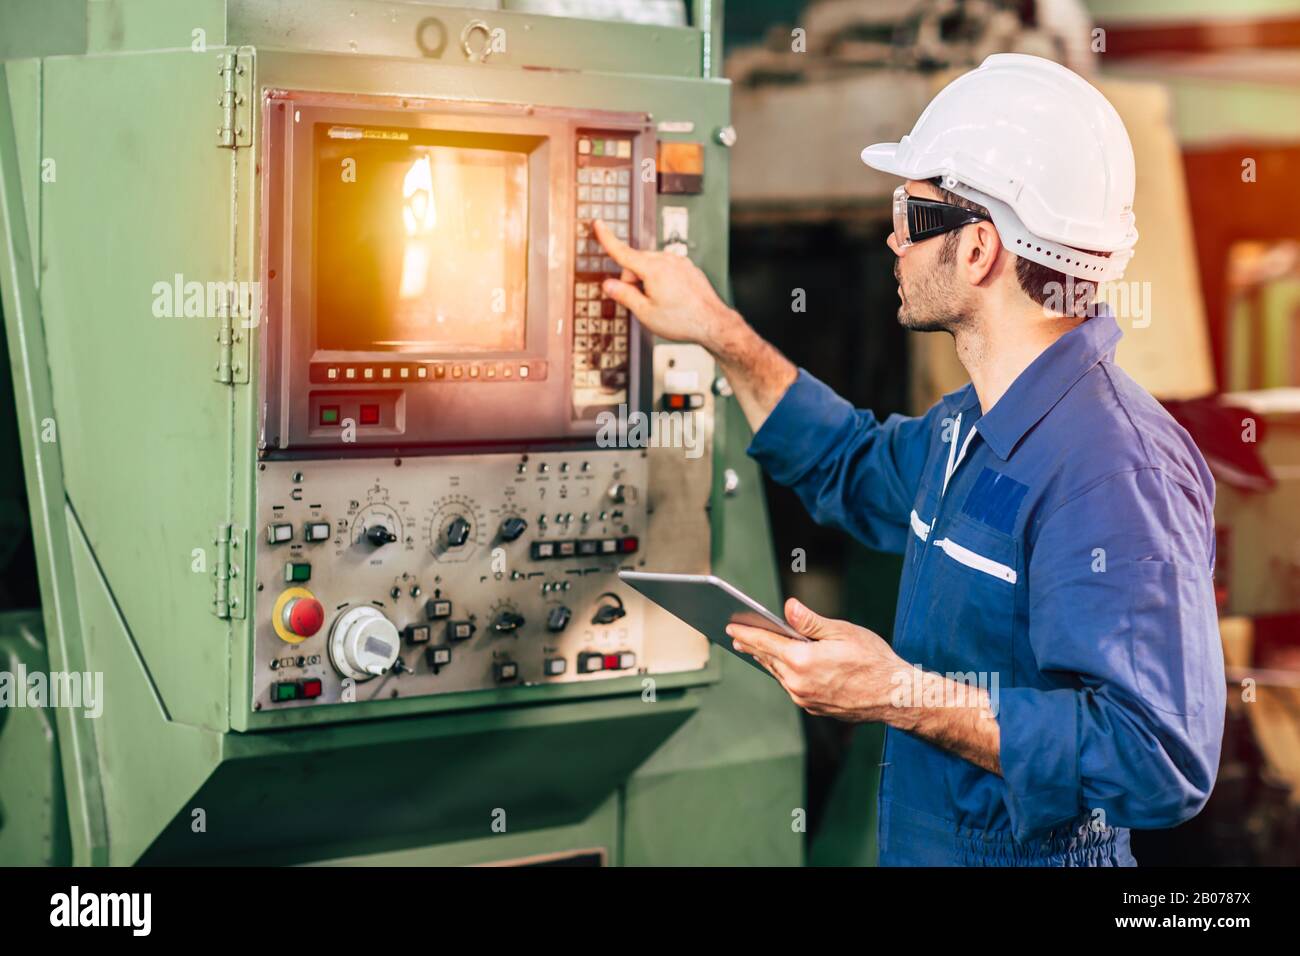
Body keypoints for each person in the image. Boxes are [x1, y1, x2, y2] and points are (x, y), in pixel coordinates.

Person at [591, 53, 1225, 866]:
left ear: (978, 251)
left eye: (912, 212)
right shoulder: (969, 429)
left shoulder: (1114, 472)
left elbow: (1157, 758)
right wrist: (717, 329)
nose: (892, 235)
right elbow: (849, 461)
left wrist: (898, 692)